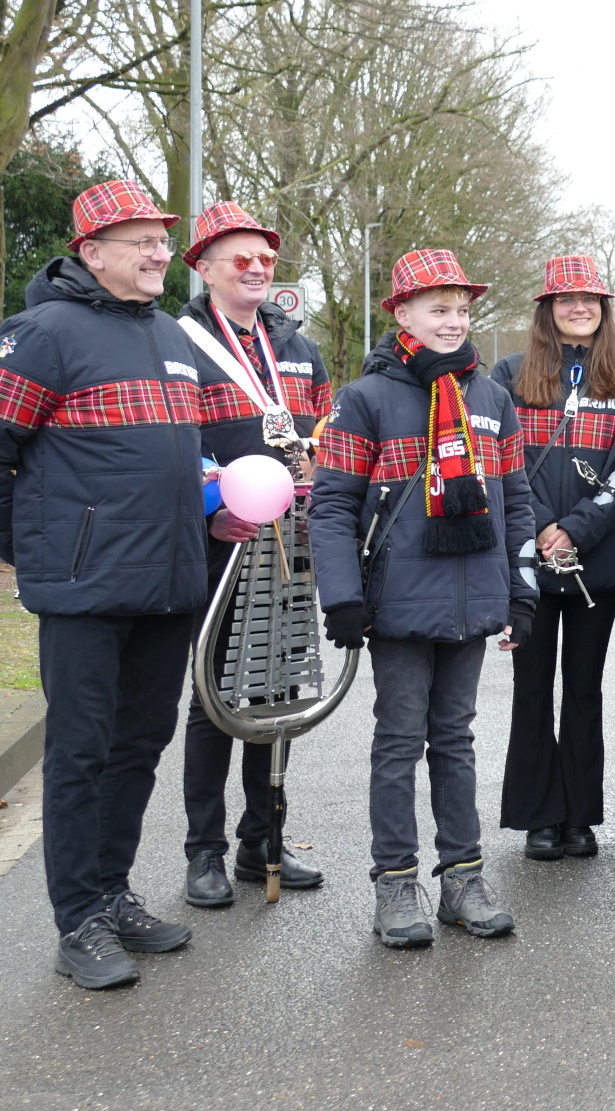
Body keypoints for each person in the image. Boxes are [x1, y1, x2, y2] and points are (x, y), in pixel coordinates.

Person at [0, 181, 210, 989]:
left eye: (162, 240)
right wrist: (35, 551)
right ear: (90, 253)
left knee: (137, 747)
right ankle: (77, 920)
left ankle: (112, 892)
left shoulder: (171, 334)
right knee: (81, 753)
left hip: (169, 583)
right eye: (142, 242)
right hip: (83, 587)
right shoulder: (42, 334)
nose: (161, 253)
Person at [310, 249, 537, 949]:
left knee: (456, 741)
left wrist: (522, 589)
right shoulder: (365, 399)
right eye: (439, 308)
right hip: (399, 603)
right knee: (399, 742)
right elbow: (331, 505)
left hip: (474, 601)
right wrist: (341, 597)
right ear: (402, 314)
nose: (454, 321)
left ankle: (463, 878)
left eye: (462, 309)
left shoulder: (491, 398)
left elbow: (517, 502)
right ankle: (396, 882)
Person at [174, 201, 332, 908]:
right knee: (213, 697)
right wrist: (212, 509)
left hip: (289, 539)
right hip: (221, 539)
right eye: (241, 257)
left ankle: (260, 843)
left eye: (267, 257)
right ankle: (202, 852)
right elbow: (172, 442)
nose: (258, 268)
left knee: (275, 696)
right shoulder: (178, 340)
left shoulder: (297, 346)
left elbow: (323, 430)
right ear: (205, 268)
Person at [493, 255, 615, 861]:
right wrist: (540, 527)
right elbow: (500, 459)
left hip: (597, 559)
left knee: (584, 688)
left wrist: (576, 529)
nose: (579, 307)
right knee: (531, 687)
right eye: (566, 299)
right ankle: (539, 815)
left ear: (604, 308)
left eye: (590, 299)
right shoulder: (509, 374)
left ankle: (580, 815)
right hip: (529, 558)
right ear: (547, 308)